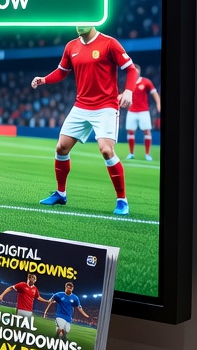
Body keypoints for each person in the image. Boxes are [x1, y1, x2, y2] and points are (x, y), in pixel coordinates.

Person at [32, 25, 138, 215]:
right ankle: (60, 193)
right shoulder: (71, 46)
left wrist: (128, 90)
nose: (78, 24)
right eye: (76, 21)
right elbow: (62, 72)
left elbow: (131, 70)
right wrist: (44, 79)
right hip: (81, 106)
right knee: (61, 148)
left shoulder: (109, 43)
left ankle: (122, 200)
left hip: (106, 106)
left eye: (83, 20)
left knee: (106, 150)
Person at [126, 71, 161, 161]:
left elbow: (154, 92)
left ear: (139, 72)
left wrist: (158, 103)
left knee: (147, 131)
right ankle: (131, 153)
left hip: (143, 111)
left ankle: (147, 154)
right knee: (130, 132)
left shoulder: (146, 82)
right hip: (131, 110)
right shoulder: (129, 81)